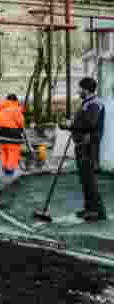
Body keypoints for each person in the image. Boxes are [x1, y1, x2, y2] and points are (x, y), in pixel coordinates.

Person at [60, 77, 107, 221]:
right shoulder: (87, 103)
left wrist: (70, 125)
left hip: (88, 146)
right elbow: (82, 122)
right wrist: (71, 124)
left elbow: (89, 123)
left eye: (80, 88)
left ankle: (97, 212)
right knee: (85, 179)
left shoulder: (94, 104)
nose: (78, 90)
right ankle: (89, 208)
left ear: (86, 89)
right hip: (83, 145)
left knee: (89, 179)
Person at [0, 94, 25, 176]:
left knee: (4, 149)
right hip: (10, 132)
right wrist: (21, 127)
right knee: (13, 150)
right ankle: (10, 171)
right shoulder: (15, 108)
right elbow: (20, 122)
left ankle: (4, 168)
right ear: (15, 101)